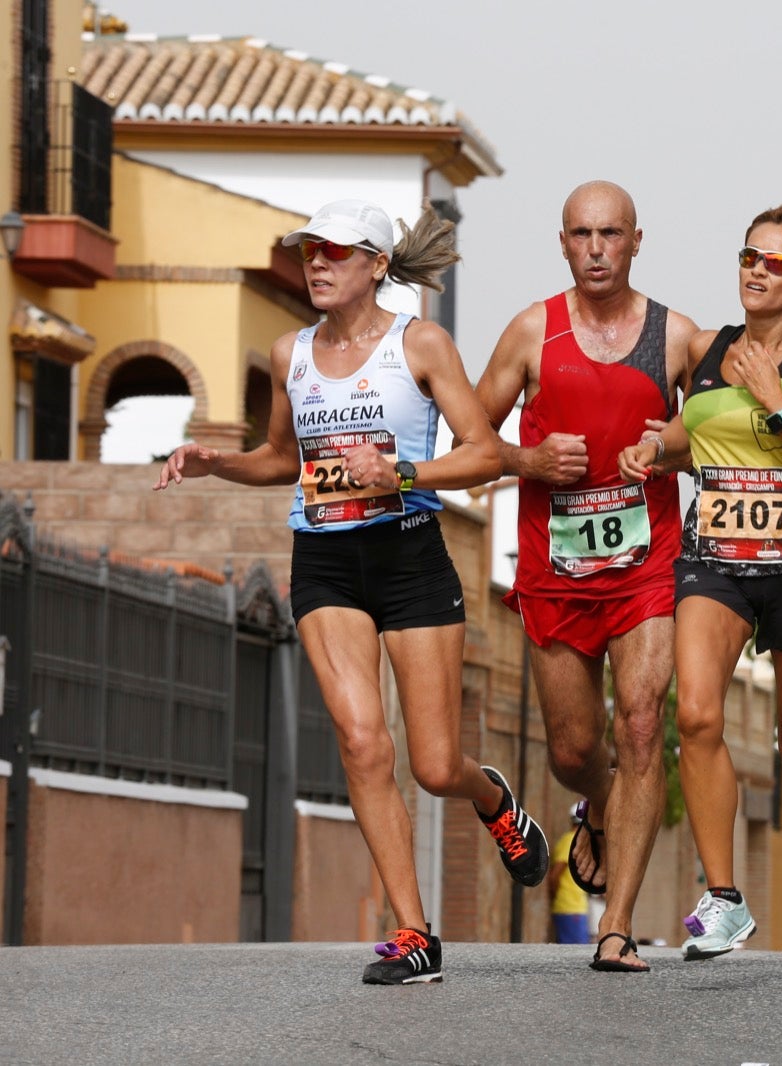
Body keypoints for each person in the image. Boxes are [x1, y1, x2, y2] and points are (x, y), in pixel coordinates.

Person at [154, 200, 547, 984]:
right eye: (309, 252)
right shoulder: (289, 354)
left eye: (335, 252)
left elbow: (484, 454)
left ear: (374, 264)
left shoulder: (420, 344)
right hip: (325, 561)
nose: (318, 264)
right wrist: (213, 463)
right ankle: (414, 934)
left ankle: (491, 796)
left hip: (410, 559)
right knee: (365, 744)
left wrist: (400, 473)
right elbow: (278, 459)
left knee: (434, 766)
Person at [619, 203, 782, 982]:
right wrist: (654, 448)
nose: (756, 270)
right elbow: (695, 435)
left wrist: (777, 402)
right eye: (749, 255)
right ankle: (724, 897)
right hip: (715, 555)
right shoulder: (707, 347)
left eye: (775, 262)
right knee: (694, 714)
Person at [472, 181, 698, 973]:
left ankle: (619, 924)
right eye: (581, 234)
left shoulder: (676, 338)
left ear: (638, 241)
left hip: (649, 573)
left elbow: (730, 439)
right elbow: (472, 439)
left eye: (611, 234)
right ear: (562, 243)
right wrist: (527, 459)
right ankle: (595, 805)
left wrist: (670, 447)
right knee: (575, 749)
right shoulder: (532, 331)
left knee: (641, 725)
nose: (596, 248)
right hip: (556, 574)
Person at [548, 804, 592, 945]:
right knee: (576, 953)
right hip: (570, 907)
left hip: (575, 906)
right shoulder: (571, 841)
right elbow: (555, 875)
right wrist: (557, 896)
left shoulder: (574, 840)